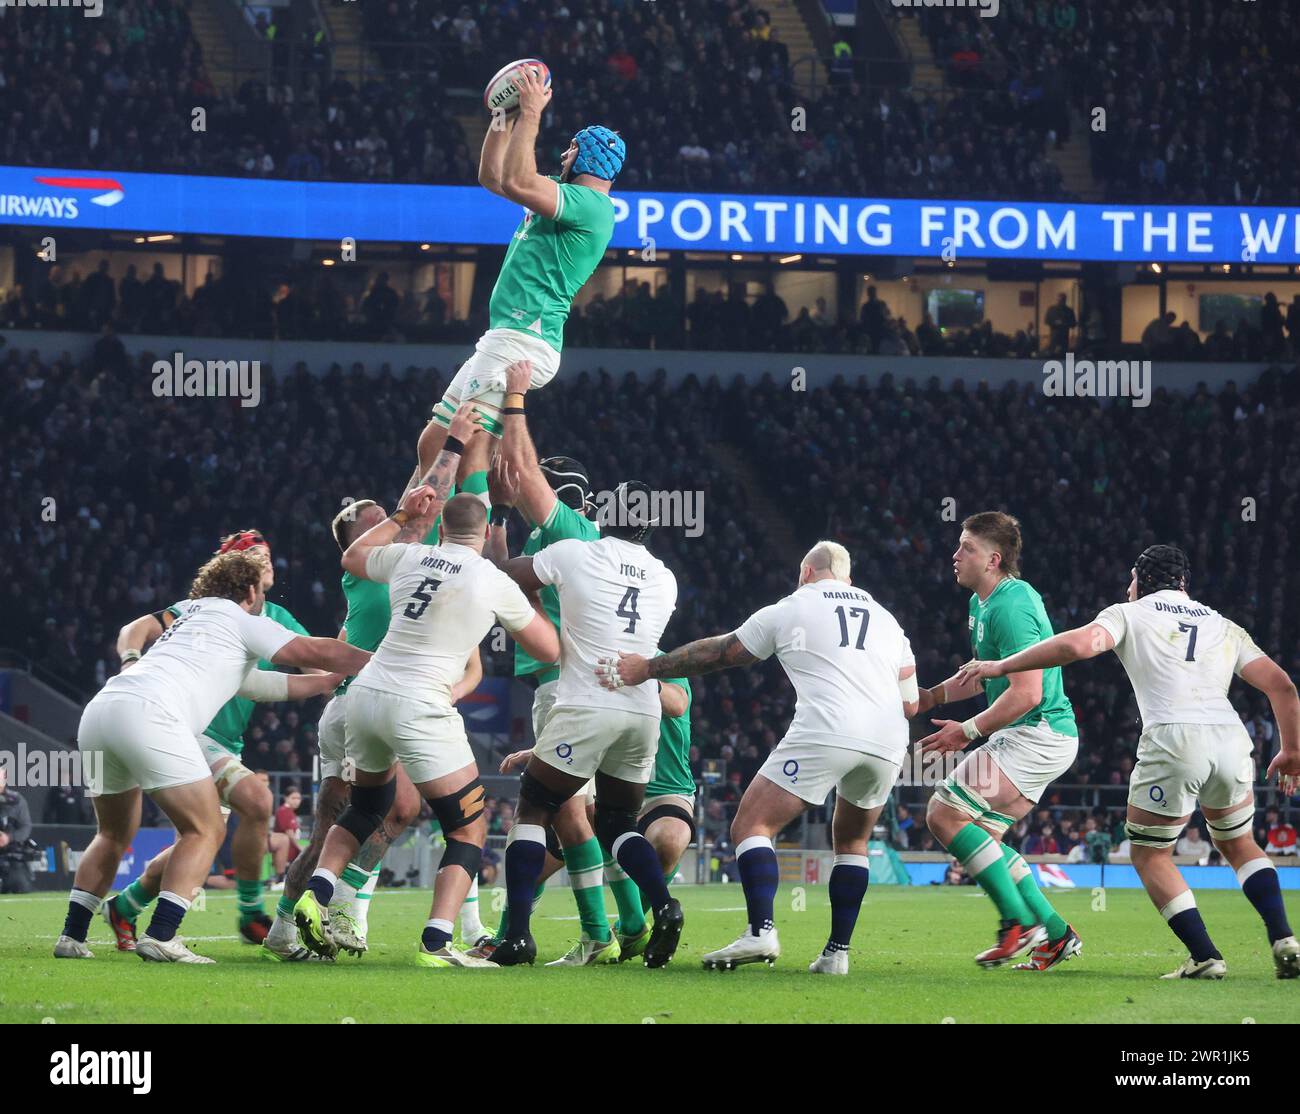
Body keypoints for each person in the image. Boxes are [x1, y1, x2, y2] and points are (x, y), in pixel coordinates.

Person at [957, 544, 1300, 980]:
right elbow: (1282, 686)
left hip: (1173, 741)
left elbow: (1078, 647)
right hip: (1231, 740)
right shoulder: (1222, 625)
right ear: (1182, 583)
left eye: (1131, 579)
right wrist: (1291, 751)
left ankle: (1206, 956)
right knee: (1239, 843)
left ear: (1139, 578)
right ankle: (1283, 936)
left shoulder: (1128, 613)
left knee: (1150, 853)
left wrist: (1002, 665)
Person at [295, 431, 561, 968]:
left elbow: (352, 557)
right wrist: (530, 597)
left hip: (366, 696)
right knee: (469, 824)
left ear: (442, 527)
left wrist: (399, 514)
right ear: (485, 532)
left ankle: (315, 895)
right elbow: (548, 647)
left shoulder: (408, 558)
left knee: (367, 807)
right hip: (420, 705)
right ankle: (438, 941)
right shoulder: (491, 577)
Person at [606, 540, 919, 976]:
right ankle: (836, 954)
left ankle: (761, 930)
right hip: (889, 738)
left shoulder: (792, 606)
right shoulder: (888, 621)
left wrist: (649, 668)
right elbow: (910, 704)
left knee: (752, 825)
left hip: (829, 727)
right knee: (852, 842)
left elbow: (720, 653)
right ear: (848, 577)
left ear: (806, 572)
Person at [57, 551, 365, 963]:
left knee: (111, 834)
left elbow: (263, 685)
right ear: (252, 591)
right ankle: (163, 934)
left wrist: (329, 680)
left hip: (101, 711)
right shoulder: (245, 621)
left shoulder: (187, 614)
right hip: (152, 715)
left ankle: (72, 936)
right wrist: (381, 663)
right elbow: (312, 651)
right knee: (204, 829)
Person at [471, 358, 640, 965]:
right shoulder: (551, 543)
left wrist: (513, 398)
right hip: (563, 684)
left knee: (565, 811)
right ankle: (628, 924)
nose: (514, 481)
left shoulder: (570, 530)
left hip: (564, 687)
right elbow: (497, 572)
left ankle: (601, 932)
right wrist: (492, 510)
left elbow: (524, 470)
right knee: (584, 812)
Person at [493, 481, 681, 967]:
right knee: (618, 821)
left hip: (585, 703)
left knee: (535, 806)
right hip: (642, 712)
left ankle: (515, 936)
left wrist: (496, 521)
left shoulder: (575, 552)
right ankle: (663, 905)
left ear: (602, 514)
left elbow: (502, 575)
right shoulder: (665, 576)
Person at [107, 530, 316, 947]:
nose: (267, 561)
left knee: (195, 846)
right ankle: (251, 913)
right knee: (256, 803)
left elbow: (312, 656)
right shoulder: (201, 610)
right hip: (190, 731)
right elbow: (136, 629)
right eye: (255, 556)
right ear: (237, 571)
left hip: (226, 742)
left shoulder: (276, 617)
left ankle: (125, 906)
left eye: (269, 554)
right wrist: (131, 661)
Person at [414, 64, 622, 482]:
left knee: (467, 450)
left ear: (584, 156)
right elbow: (495, 178)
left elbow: (518, 177)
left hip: (524, 338)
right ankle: (425, 528)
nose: (562, 155)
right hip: (507, 336)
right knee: (434, 444)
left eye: (569, 149)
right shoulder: (561, 194)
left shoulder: (591, 206)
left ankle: (464, 541)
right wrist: (503, 118)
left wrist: (531, 114)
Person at [916, 511, 1082, 970]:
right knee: (983, 837)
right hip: (1036, 734)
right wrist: (928, 698)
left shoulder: (1012, 605)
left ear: (992, 559)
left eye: (965, 548)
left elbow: (1026, 693)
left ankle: (1017, 923)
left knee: (944, 812)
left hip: (1037, 731)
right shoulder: (981, 604)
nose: (955, 555)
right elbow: (981, 676)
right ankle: (1054, 931)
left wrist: (966, 732)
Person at [0, 766, 35, 894]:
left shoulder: (16, 800)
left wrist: (8, 837)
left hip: (11, 855)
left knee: (20, 886)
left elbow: (26, 827)